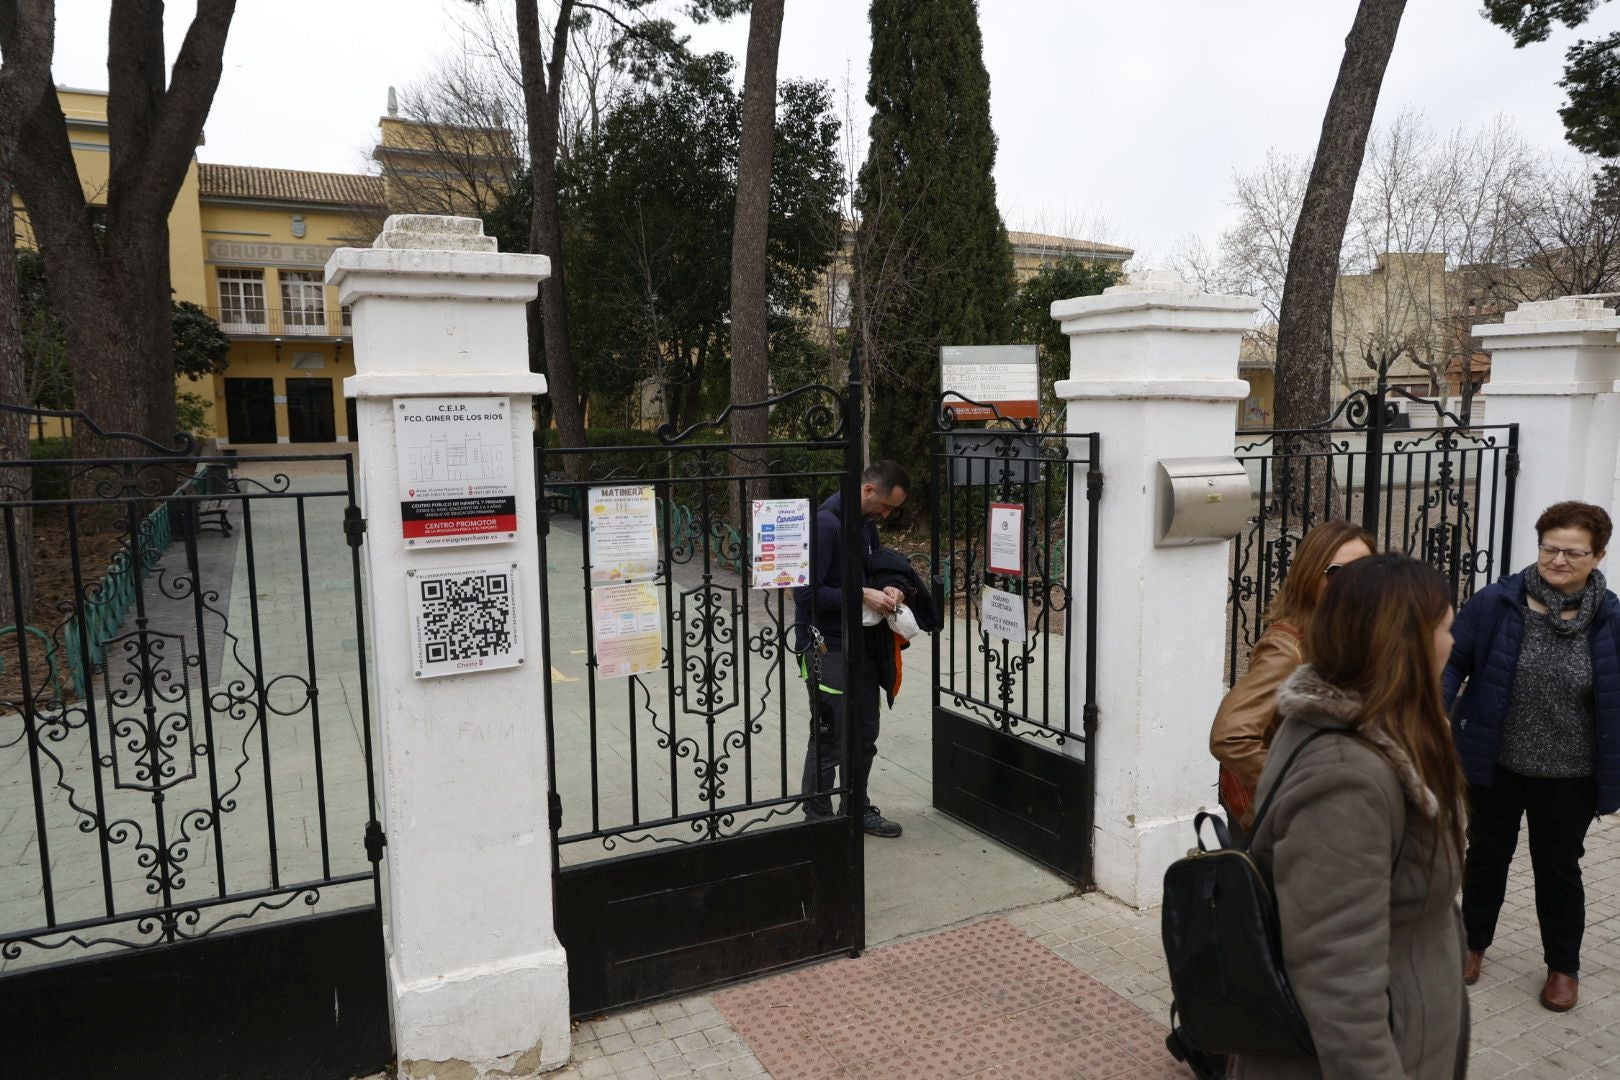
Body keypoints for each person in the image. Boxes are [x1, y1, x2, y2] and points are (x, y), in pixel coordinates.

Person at [1239, 554, 1469, 1079]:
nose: (1454, 645)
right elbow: (1337, 975)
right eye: (1447, 629)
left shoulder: (1367, 731)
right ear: (1408, 643)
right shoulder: (1348, 780)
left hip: (1412, 1026)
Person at [1444, 501, 1620, 1012]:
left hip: (1572, 773)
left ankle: (1563, 968)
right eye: (1550, 548)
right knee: (1485, 857)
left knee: (1559, 868)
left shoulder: (1609, 617)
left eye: (1573, 552)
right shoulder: (1496, 603)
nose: (1558, 559)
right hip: (1494, 761)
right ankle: (1471, 945)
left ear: (1598, 555)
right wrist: (1435, 712)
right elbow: (1452, 661)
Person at [1211, 520, 1375, 828]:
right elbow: (1230, 735)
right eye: (1338, 573)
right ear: (1310, 577)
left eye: (1367, 572)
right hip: (1299, 824)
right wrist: (1305, 784)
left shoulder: (1356, 637)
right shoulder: (1289, 648)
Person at [795, 460, 911, 838]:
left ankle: (855, 808)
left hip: (861, 645)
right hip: (824, 647)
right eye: (886, 505)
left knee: (863, 734)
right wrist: (862, 593)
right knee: (830, 735)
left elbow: (873, 570)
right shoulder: (826, 524)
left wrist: (891, 588)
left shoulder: (865, 525)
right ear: (867, 490)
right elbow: (806, 593)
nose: (887, 514)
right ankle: (819, 818)